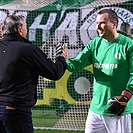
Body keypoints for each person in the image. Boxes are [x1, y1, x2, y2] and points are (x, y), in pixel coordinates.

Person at [66, 9, 133, 133]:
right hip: (96, 110)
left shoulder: (128, 45)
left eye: (102, 23)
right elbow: (77, 64)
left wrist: (125, 96)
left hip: (118, 109)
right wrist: (62, 60)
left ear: (114, 24)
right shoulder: (94, 44)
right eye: (96, 23)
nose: (98, 27)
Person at [0, 14, 67, 133]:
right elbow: (55, 73)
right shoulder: (28, 50)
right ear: (20, 30)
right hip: (15, 110)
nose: (26, 30)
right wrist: (61, 58)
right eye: (26, 27)